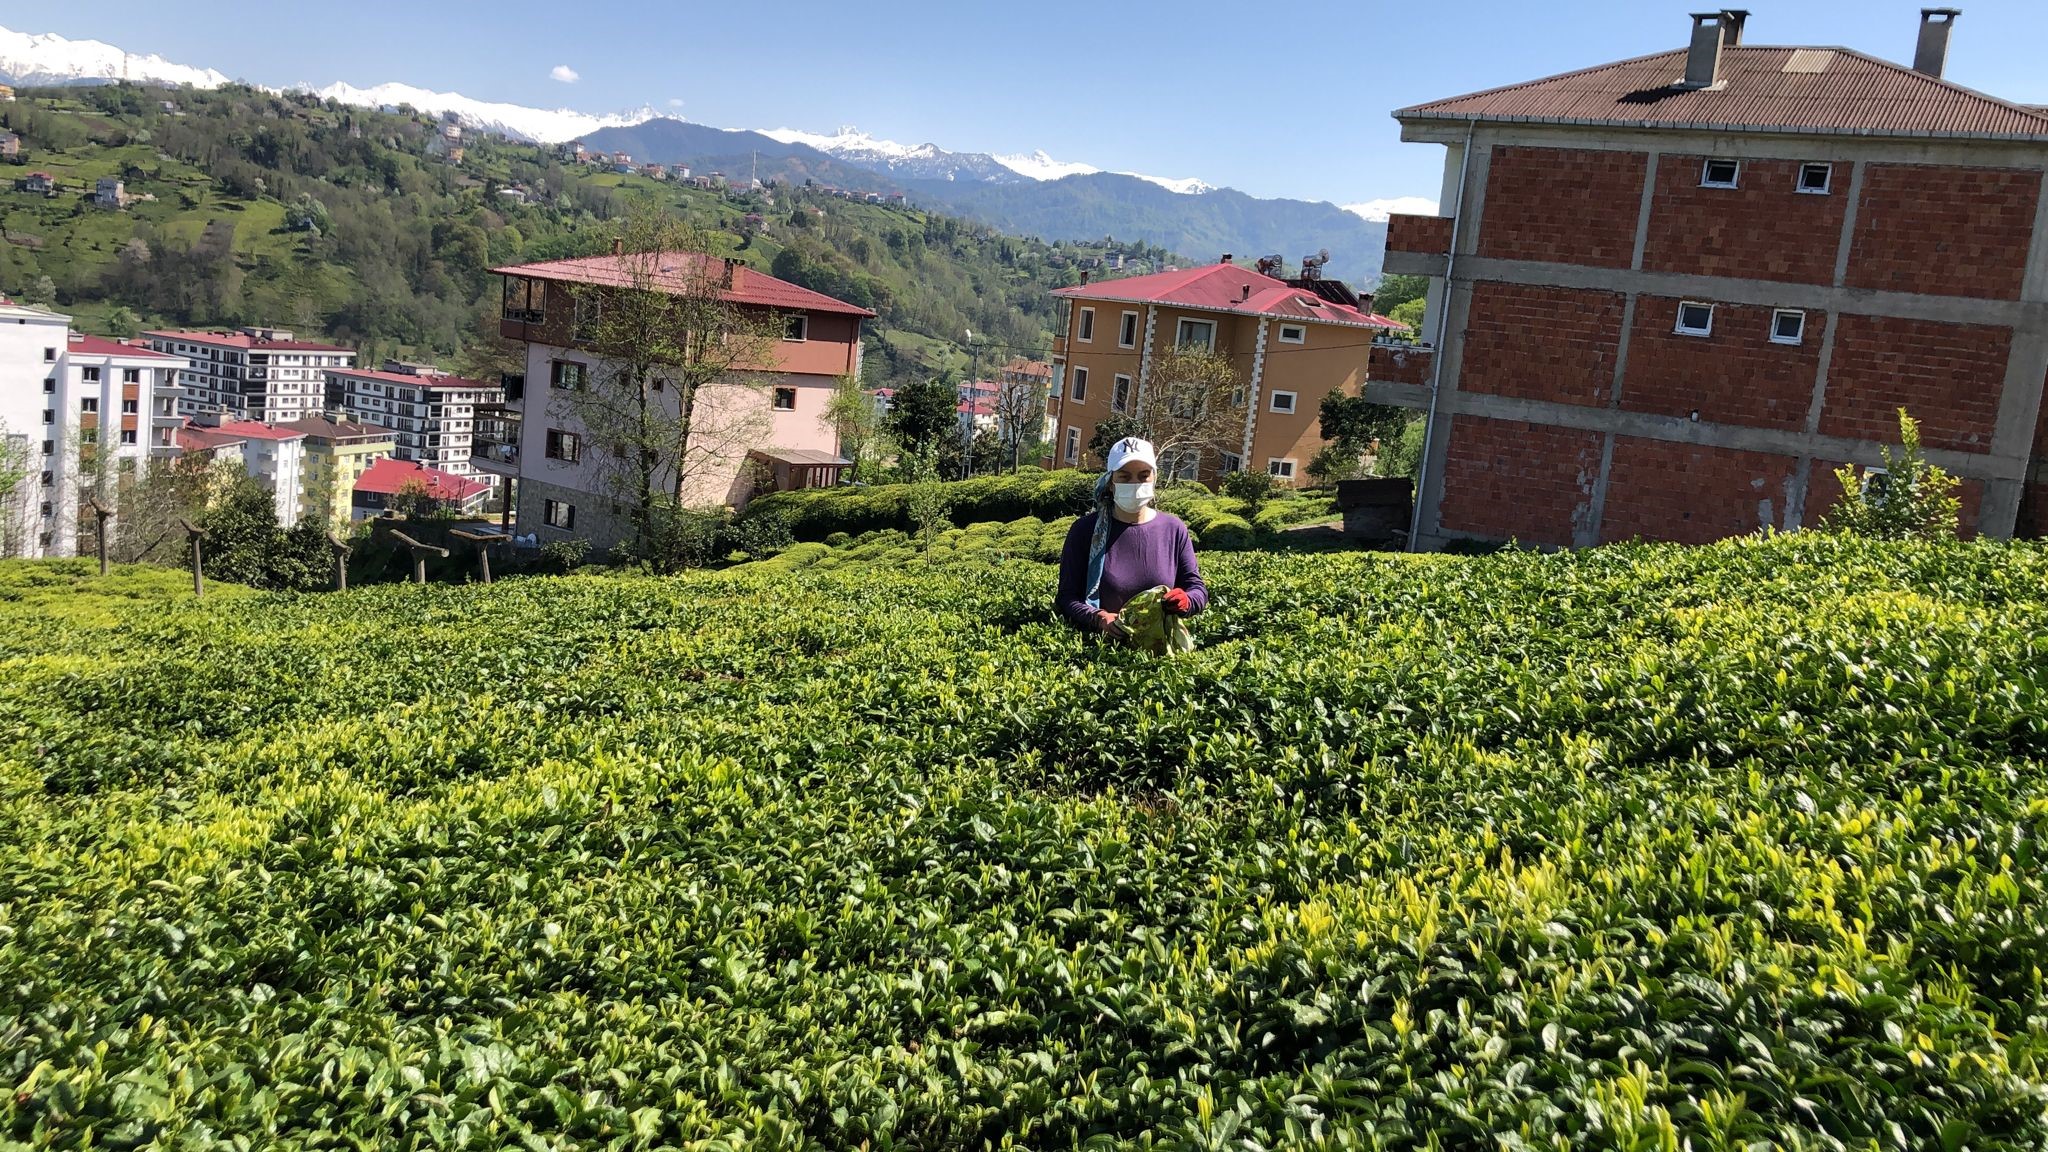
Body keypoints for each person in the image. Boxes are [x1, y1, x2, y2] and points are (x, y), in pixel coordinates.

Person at [1056, 437, 1207, 637]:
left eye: (1143, 476)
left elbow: (1197, 589)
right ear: (1110, 482)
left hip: (1159, 656)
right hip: (1102, 654)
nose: (1135, 484)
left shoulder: (1174, 529)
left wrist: (1187, 601)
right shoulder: (1085, 531)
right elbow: (1067, 598)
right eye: (1125, 477)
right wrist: (1099, 618)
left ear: (1154, 478)